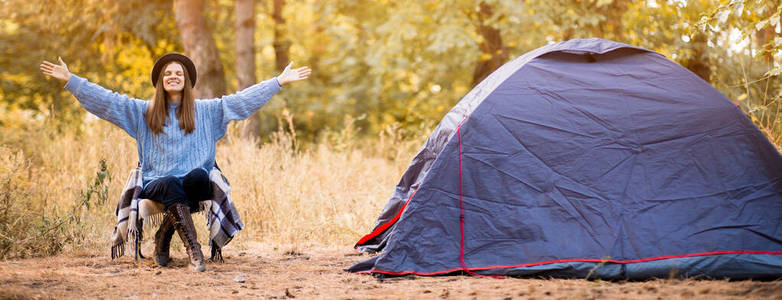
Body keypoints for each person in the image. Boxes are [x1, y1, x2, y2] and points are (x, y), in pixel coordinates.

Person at [40, 54, 310, 271]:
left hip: (193, 185)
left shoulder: (206, 111)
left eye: (178, 73)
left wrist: (277, 82)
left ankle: (162, 238)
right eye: (167, 73)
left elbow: (241, 101)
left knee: (198, 177)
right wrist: (72, 80)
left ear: (186, 81)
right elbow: (107, 102)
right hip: (157, 183)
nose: (173, 76)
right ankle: (194, 249)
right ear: (160, 80)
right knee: (170, 183)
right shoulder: (143, 111)